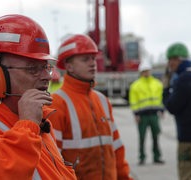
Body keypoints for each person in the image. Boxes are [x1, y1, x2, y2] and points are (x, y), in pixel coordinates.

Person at [0, 14, 76, 179]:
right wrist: (26, 127)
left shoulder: (37, 118)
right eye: (32, 68)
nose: (47, 76)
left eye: (46, 66)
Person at [48, 34, 132, 180]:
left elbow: (116, 148)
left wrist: (124, 177)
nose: (93, 63)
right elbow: (53, 160)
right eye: (85, 59)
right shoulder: (57, 103)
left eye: (93, 58)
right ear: (69, 66)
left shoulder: (102, 100)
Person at [163, 42, 191, 180]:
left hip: (189, 139)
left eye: (170, 60)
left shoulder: (183, 79)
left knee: (188, 175)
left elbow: (172, 106)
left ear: (177, 59)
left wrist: (166, 88)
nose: (169, 65)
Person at [129, 60, 165, 165]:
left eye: (147, 71)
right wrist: (136, 114)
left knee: (155, 136)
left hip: (154, 115)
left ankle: (157, 157)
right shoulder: (135, 85)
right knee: (142, 137)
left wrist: (162, 110)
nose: (146, 73)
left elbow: (161, 98)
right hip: (142, 116)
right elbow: (133, 100)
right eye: (144, 71)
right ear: (141, 72)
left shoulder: (157, 84)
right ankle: (142, 157)